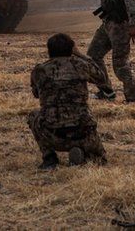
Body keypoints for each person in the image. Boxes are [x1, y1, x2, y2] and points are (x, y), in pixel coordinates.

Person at [28, 33, 109, 170]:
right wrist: (81, 55)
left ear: (49, 50)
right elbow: (102, 79)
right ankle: (81, 152)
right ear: (72, 49)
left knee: (34, 115)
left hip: (52, 133)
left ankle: (49, 158)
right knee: (100, 161)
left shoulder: (40, 70)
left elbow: (36, 94)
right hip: (83, 131)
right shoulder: (81, 65)